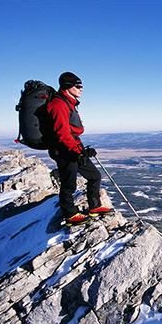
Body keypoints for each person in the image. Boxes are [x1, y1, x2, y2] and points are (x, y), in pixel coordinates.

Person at [46, 71, 112, 225]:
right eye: (78, 85)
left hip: (74, 147)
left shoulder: (69, 103)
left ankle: (94, 207)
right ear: (68, 86)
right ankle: (69, 215)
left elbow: (70, 132)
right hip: (63, 150)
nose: (81, 89)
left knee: (94, 176)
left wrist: (82, 150)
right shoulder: (58, 104)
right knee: (69, 183)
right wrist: (78, 151)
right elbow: (62, 133)